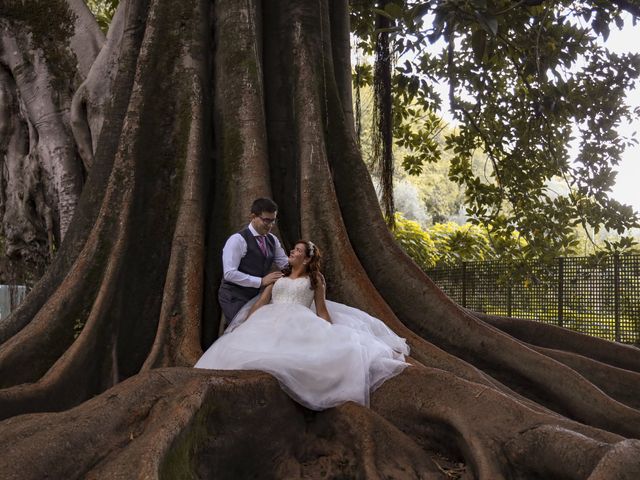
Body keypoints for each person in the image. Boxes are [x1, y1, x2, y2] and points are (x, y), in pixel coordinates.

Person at [196, 240, 410, 411]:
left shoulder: (315, 279)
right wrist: (245, 322)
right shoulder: (279, 276)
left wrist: (330, 330)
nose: (292, 252)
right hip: (269, 317)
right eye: (293, 249)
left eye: (297, 250)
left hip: (299, 319)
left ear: (307, 259)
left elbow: (321, 308)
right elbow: (262, 301)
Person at [218, 197, 289, 324]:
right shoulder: (237, 240)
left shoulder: (272, 240)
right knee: (242, 329)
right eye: (266, 220)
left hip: (257, 297)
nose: (270, 226)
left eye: (273, 221)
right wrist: (261, 281)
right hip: (234, 296)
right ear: (253, 217)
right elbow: (229, 274)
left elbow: (284, 263)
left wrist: (306, 266)